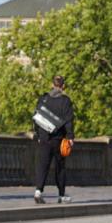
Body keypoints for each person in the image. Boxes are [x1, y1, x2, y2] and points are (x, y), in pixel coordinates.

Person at [33, 75, 75, 204]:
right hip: (58, 138)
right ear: (63, 86)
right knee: (60, 167)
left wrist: (39, 135)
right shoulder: (65, 101)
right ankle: (61, 195)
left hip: (44, 138)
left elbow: (36, 118)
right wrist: (70, 137)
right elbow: (69, 121)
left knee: (42, 165)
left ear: (52, 85)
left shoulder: (43, 99)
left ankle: (38, 191)